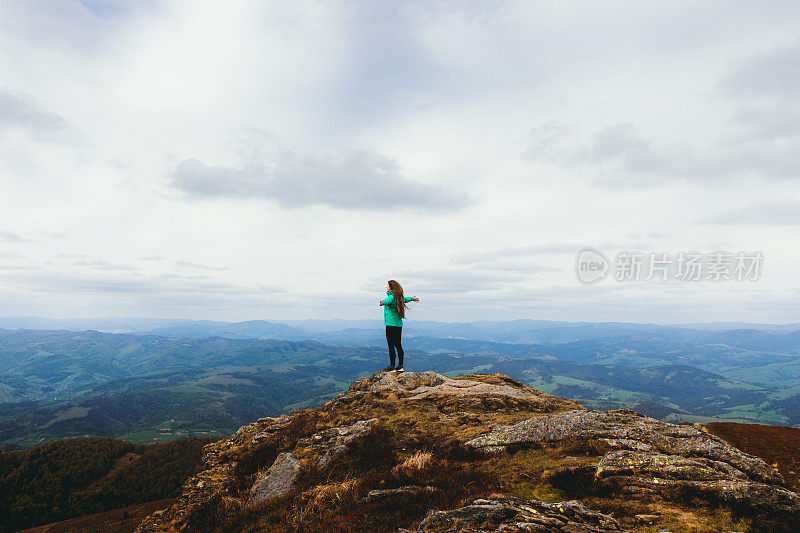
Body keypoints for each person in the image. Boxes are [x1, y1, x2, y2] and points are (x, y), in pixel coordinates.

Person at [379, 279, 419, 372]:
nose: (386, 287)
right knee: (398, 344)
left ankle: (392, 366)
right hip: (398, 325)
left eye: (387, 286)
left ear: (391, 287)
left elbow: (388, 300)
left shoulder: (392, 296)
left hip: (390, 324)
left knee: (391, 345)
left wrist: (382, 302)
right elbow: (406, 299)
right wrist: (413, 298)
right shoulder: (399, 297)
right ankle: (400, 366)